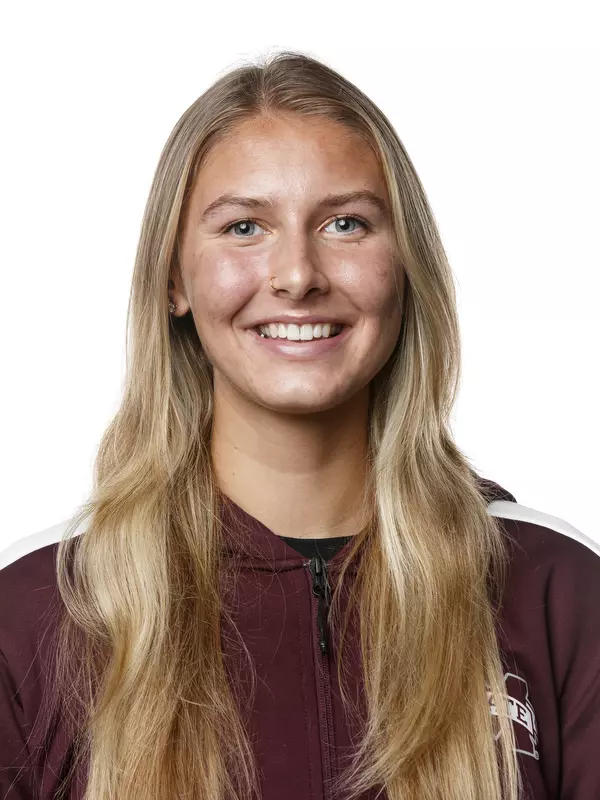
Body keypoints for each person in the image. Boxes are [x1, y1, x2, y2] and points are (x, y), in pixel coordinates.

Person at [1, 50, 599, 800]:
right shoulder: (37, 612)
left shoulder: (557, 590)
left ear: (405, 266)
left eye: (346, 223)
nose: (297, 273)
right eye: (245, 226)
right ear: (174, 280)